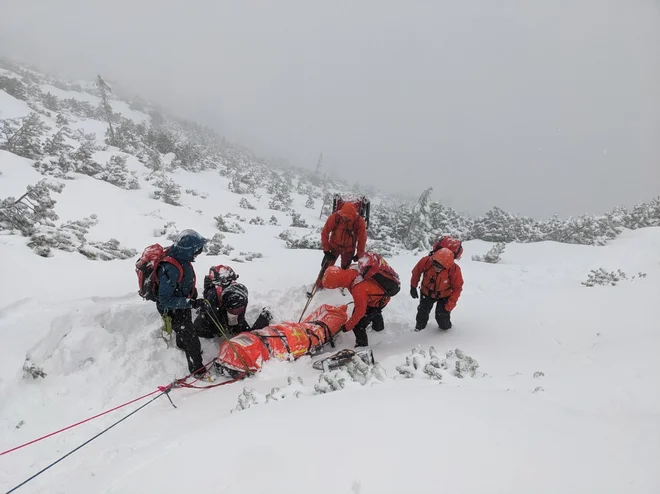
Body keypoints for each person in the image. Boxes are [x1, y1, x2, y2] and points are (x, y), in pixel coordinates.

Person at [156, 229, 208, 376]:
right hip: (173, 307)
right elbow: (165, 299)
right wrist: (191, 303)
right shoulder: (170, 267)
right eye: (197, 250)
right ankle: (197, 368)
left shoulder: (179, 257)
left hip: (181, 302)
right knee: (190, 335)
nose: (198, 253)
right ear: (188, 249)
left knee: (186, 326)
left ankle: (181, 344)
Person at [321, 265, 392, 347]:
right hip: (379, 296)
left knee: (358, 325)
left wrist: (348, 326)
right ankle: (379, 327)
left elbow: (360, 312)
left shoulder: (358, 288)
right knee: (374, 312)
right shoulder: (352, 268)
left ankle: (361, 347)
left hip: (378, 300)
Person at [193, 265, 272, 338]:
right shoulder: (238, 290)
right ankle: (265, 316)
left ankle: (263, 317)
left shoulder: (213, 293)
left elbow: (211, 314)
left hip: (224, 313)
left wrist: (218, 330)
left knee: (199, 328)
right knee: (245, 332)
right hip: (234, 315)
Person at [410, 247, 463, 331]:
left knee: (442, 318)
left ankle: (447, 333)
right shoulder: (426, 261)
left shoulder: (454, 269)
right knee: (422, 314)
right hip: (426, 292)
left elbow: (457, 288)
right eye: (435, 264)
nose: (436, 267)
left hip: (444, 295)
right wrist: (413, 286)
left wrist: (449, 306)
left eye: (439, 266)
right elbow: (416, 272)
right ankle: (419, 330)